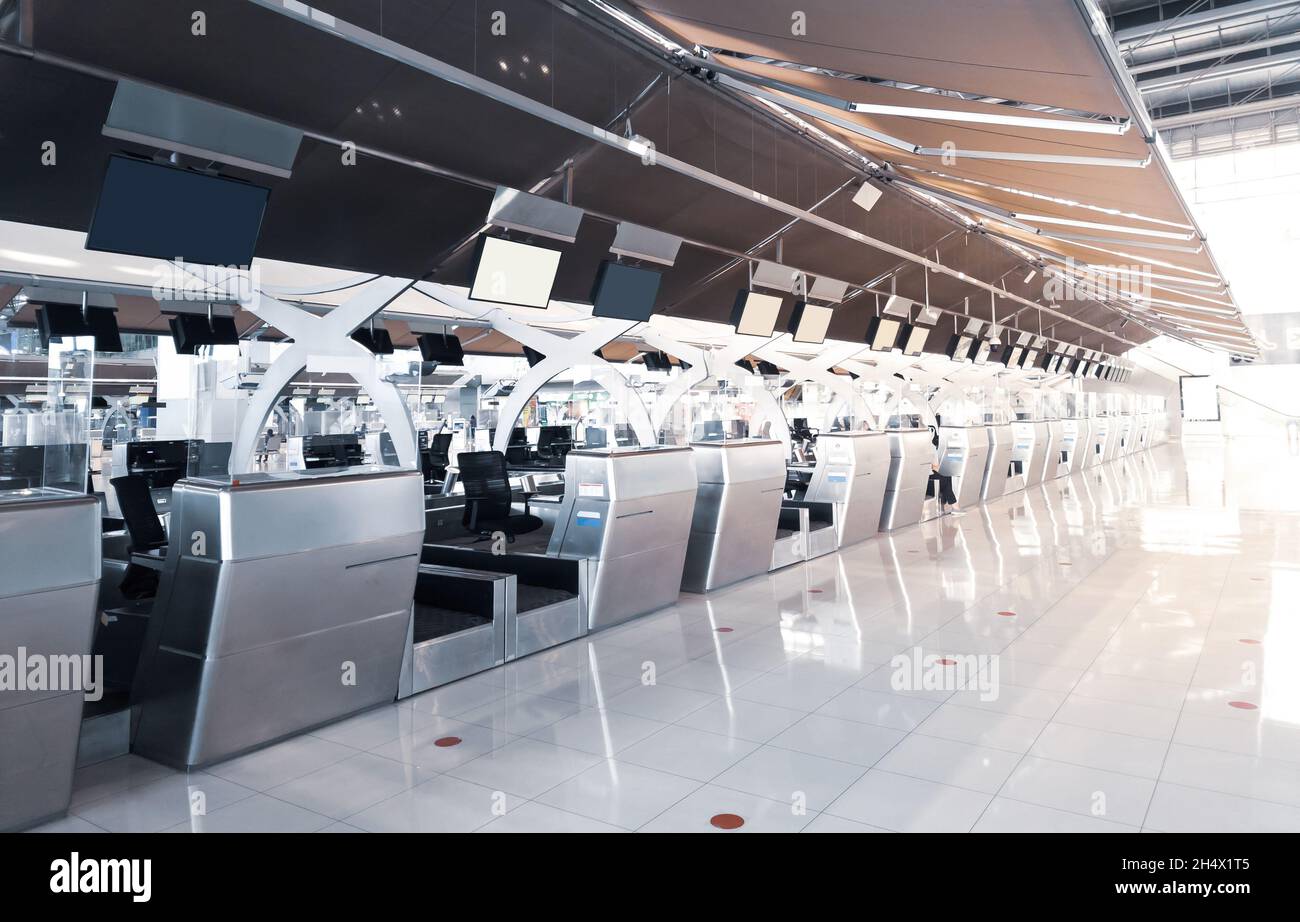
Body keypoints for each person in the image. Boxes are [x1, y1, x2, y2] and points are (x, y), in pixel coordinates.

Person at [927, 424, 963, 516]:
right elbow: (935, 466)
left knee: (946, 476)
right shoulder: (930, 446)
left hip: (925, 477)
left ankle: (950, 504)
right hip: (927, 481)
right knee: (945, 478)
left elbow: (933, 466)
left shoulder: (926, 447)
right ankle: (954, 505)